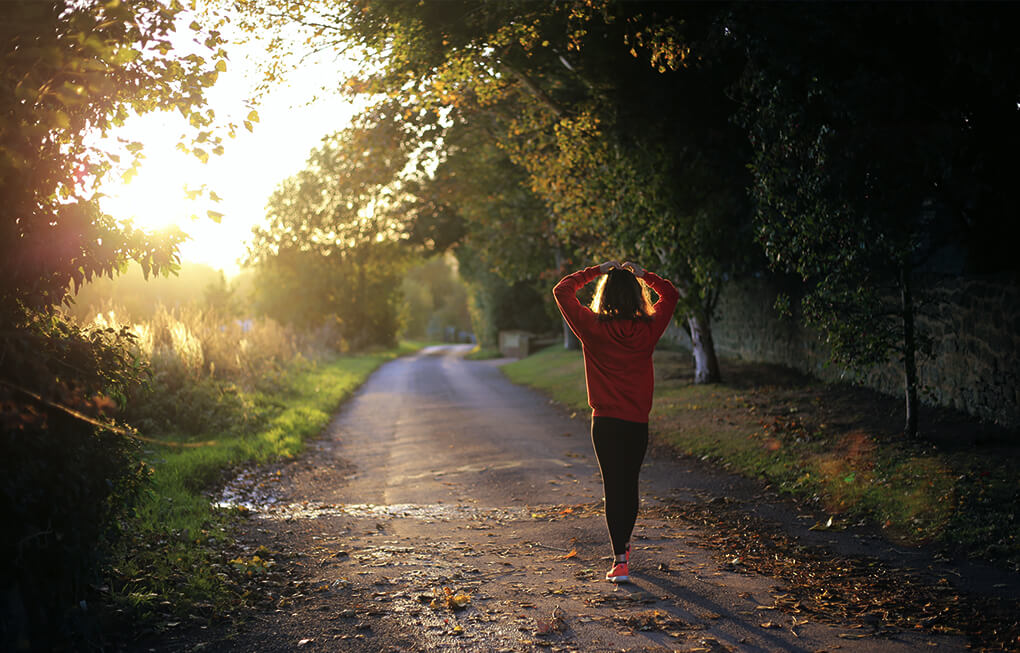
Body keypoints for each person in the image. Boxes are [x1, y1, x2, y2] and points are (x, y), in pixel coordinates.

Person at [553, 260, 680, 583]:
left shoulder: (592, 328)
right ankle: (624, 545)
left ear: (604, 296)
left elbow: (562, 290)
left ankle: (620, 560)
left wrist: (596, 270)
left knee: (614, 487)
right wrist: (644, 275)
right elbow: (671, 294)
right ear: (637, 297)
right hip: (636, 422)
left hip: (606, 423)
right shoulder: (648, 329)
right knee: (630, 484)